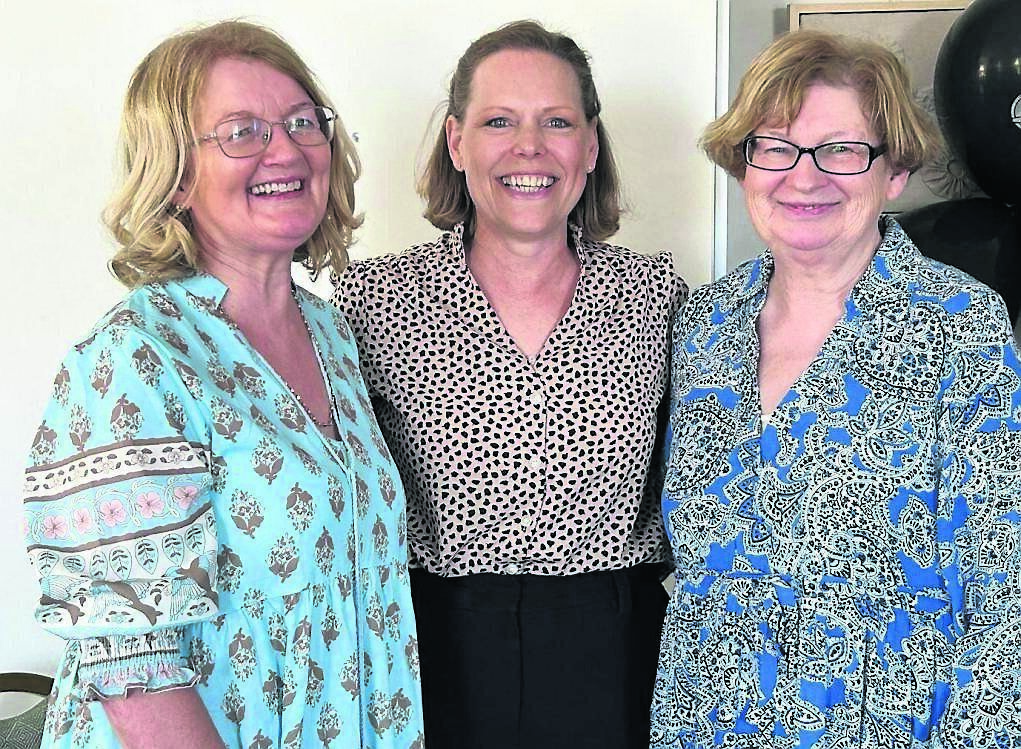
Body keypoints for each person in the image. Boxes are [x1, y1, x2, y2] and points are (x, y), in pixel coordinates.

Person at [22, 20, 423, 749]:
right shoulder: (133, 359)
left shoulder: (330, 334)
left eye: (303, 122)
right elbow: (133, 666)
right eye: (242, 131)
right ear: (175, 176)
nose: (288, 148)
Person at [651, 29, 1021, 748]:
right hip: (705, 719)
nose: (803, 176)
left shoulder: (958, 324)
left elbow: (1004, 594)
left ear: (894, 172)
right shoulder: (702, 324)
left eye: (841, 150)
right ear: (744, 163)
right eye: (776, 146)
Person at [334, 19, 687, 749]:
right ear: (457, 142)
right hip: (435, 645)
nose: (529, 147)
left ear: (589, 146)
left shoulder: (656, 296)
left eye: (556, 122)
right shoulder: (372, 299)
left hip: (613, 647)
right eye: (499, 121)